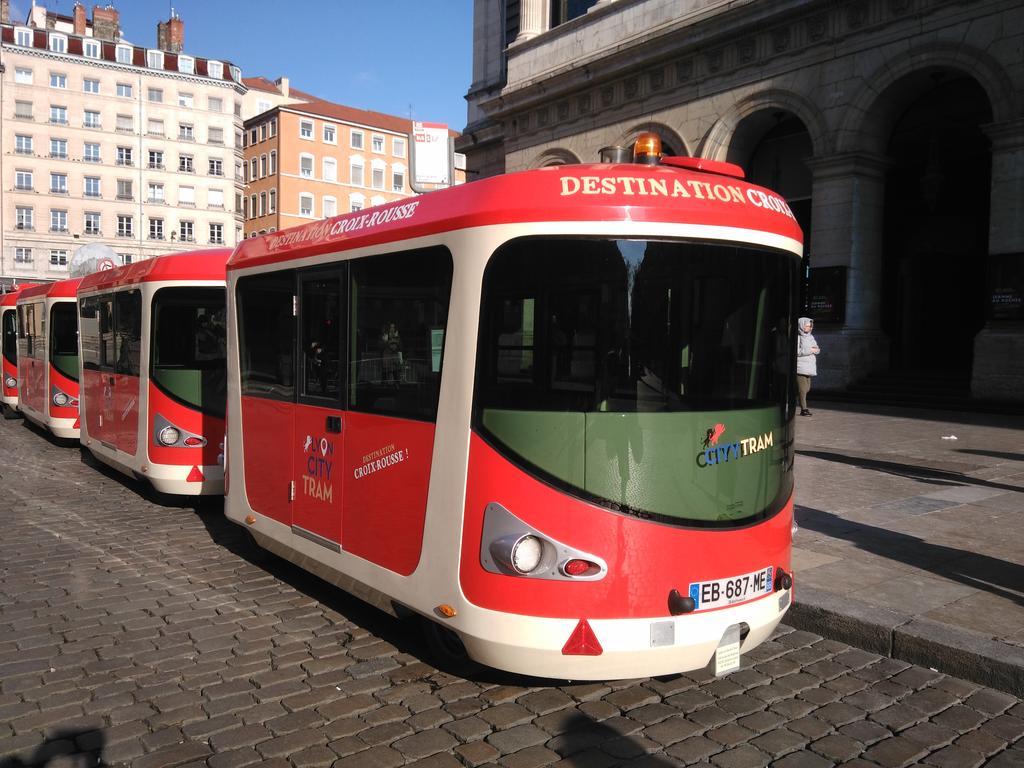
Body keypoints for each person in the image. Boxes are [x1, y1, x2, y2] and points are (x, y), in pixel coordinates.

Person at [796, 316, 820, 416]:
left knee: (807, 389)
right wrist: (811, 350)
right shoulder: (798, 337)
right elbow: (797, 351)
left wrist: (816, 350)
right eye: (807, 326)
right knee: (802, 390)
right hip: (800, 367)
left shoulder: (810, 337)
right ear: (801, 326)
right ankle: (804, 409)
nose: (809, 328)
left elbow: (817, 348)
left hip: (809, 367)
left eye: (810, 326)